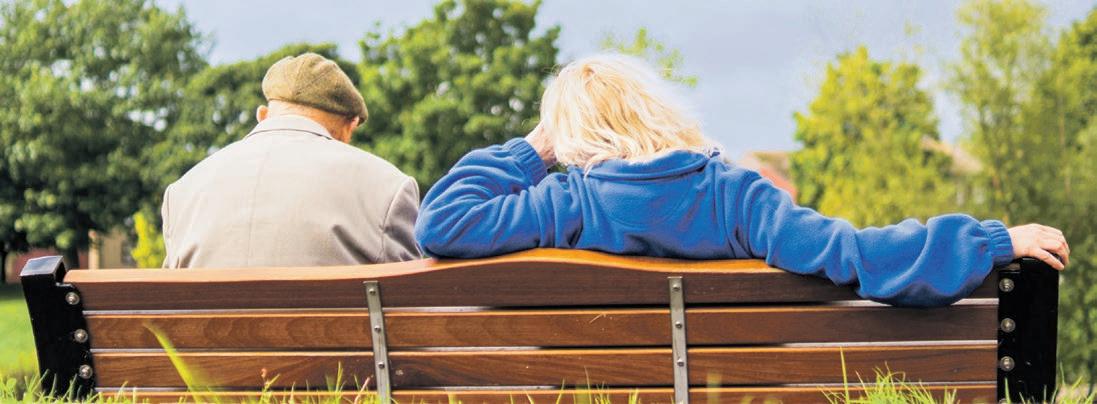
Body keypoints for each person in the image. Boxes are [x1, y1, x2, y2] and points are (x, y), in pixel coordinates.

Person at [414, 54, 1069, 307]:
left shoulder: (562, 203)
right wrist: (989, 241)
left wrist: (531, 151)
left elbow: (442, 222)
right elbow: (854, 254)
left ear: (569, 137)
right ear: (651, 112)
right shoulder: (735, 196)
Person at [162, 53, 421, 268]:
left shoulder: (181, 192)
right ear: (349, 126)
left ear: (263, 115)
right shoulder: (388, 187)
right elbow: (413, 303)